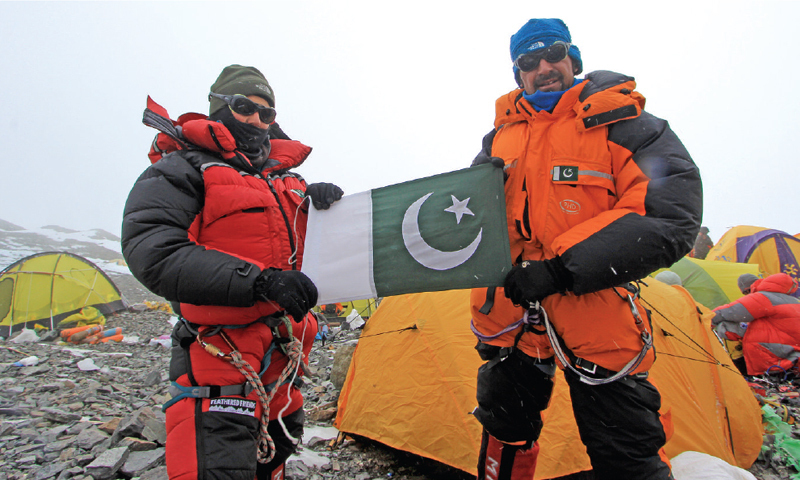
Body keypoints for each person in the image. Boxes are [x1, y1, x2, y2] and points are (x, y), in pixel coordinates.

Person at [468, 19, 702, 480]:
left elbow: (668, 214)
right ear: (519, 74)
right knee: (505, 430)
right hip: (510, 314)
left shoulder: (628, 124)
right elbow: (465, 221)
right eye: (528, 61)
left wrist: (559, 270)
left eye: (553, 53)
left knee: (627, 452)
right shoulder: (499, 138)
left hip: (597, 315)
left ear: (573, 58)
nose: (544, 67)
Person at [121, 65, 343, 480]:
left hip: (283, 362)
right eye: (245, 107)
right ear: (218, 107)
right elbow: (153, 250)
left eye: (267, 114)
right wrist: (259, 281)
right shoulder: (182, 169)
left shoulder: (285, 180)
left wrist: (316, 207)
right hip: (220, 360)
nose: (258, 121)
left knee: (275, 459)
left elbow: (302, 253)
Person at [712, 272, 800, 377]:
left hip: (770, 358)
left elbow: (730, 311)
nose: (747, 295)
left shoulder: (763, 298)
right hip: (791, 356)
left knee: (726, 324)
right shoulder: (794, 301)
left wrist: (707, 318)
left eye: (747, 291)